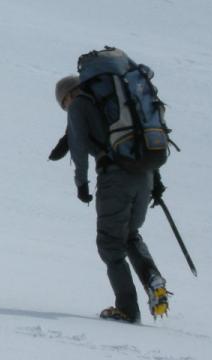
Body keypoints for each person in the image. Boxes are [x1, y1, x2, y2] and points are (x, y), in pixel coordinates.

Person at [52, 75, 169, 323]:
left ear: (68, 95)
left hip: (116, 180)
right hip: (144, 175)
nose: (66, 107)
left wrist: (81, 184)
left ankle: (127, 310)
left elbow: (79, 145)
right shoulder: (119, 102)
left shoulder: (79, 104)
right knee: (129, 235)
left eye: (63, 103)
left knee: (109, 244)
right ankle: (153, 279)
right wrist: (156, 183)